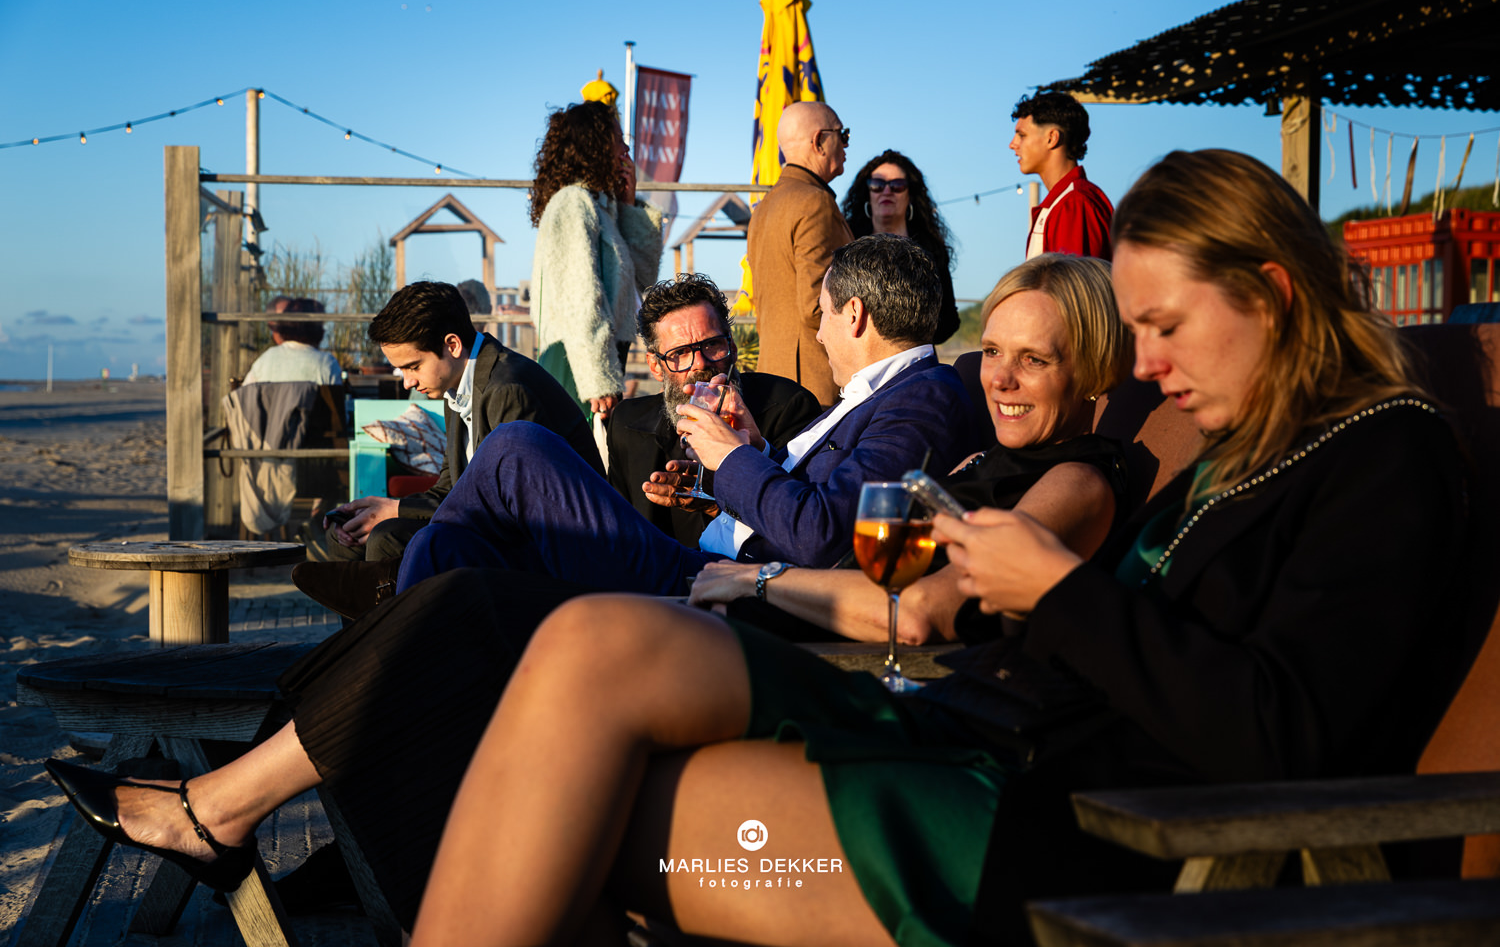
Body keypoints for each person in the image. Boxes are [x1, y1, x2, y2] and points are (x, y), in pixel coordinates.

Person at [52, 151, 1472, 944]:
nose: (1147, 369)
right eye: (1137, 335)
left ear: (1274, 293)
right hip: (963, 717)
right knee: (568, 634)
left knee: (543, 669)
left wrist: (1048, 589)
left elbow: (1279, 726)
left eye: (1160, 332)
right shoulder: (1231, 449)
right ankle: (282, 817)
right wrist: (1053, 535)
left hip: (1062, 827)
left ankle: (268, 819)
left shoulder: (1387, 460)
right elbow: (1080, 555)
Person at [393, 233, 973, 594]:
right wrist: (748, 462)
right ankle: (390, 678)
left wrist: (733, 455)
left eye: (820, 315)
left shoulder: (920, 396)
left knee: (517, 447)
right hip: (707, 564)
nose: (817, 335)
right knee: (444, 550)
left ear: (856, 314)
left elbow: (822, 535)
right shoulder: (882, 396)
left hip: (722, 583)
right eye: (679, 354)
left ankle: (384, 684)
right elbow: (821, 507)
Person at [690, 253, 1127, 644]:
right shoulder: (996, 459)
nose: (999, 379)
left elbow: (916, 612)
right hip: (786, 610)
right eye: (992, 351)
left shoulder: (1077, 481)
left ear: (1093, 368)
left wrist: (759, 580)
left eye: (1034, 359)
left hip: (831, 648)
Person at [298, 281, 600, 616]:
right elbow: (451, 485)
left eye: (412, 366)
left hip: (547, 547)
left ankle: (397, 656)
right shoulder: (457, 385)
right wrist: (387, 506)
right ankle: (364, 657)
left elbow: (501, 507)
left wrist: (396, 511)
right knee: (348, 537)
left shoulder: (507, 389)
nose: (407, 381)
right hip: (493, 524)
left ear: (452, 345)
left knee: (388, 536)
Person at [607, 274, 824, 548]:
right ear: (654, 366)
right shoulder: (627, 425)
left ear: (731, 347)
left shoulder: (788, 406)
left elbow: (805, 524)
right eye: (680, 353)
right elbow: (620, 535)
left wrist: (716, 502)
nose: (700, 363)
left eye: (712, 345)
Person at [528, 100, 664, 422]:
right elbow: (579, 296)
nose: (626, 147)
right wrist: (597, 378)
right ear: (596, 146)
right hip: (577, 361)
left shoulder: (602, 208)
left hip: (597, 357)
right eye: (618, 137)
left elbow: (641, 281)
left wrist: (629, 206)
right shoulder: (572, 202)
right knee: (578, 462)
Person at [746, 101, 855, 406]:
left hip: (772, 379)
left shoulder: (764, 207)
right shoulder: (814, 202)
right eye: (842, 135)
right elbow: (818, 306)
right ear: (820, 141)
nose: (846, 145)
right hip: (815, 384)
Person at [841, 150, 960, 344]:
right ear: (867, 194)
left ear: (910, 194)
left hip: (915, 362)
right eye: (877, 185)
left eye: (897, 185)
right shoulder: (847, 245)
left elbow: (949, 322)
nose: (886, 191)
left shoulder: (930, 250)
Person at [1010, 90, 1114, 260]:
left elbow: (1074, 285)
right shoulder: (1064, 202)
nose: (1012, 144)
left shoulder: (1074, 204)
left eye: (1022, 135)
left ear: (1052, 138)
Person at [241, 296, 342, 385]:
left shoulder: (264, 361)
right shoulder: (327, 363)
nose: (324, 330)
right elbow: (336, 405)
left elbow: (244, 400)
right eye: (321, 325)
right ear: (315, 329)